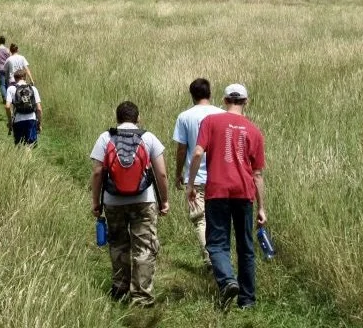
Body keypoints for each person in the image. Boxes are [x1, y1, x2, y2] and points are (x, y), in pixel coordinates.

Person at [187, 84, 266, 310]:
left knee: (217, 243)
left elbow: (198, 152)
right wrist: (262, 207)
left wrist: (190, 184)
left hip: (218, 191)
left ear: (224, 100)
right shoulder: (254, 131)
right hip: (244, 192)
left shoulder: (210, 122)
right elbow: (257, 174)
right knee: (246, 246)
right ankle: (247, 300)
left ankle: (228, 281)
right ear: (246, 102)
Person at [90, 101, 170, 308]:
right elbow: (161, 173)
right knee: (144, 248)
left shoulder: (105, 137)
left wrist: (95, 202)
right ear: (138, 118)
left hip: (112, 201)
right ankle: (142, 296)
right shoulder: (148, 137)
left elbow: (98, 172)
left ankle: (119, 288)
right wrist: (165, 200)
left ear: (117, 118)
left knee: (118, 244)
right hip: (143, 201)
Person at [173, 78, 223, 268]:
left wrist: (179, 173)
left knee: (200, 219)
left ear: (192, 95)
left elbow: (181, 149)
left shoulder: (185, 116)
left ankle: (209, 258)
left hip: (195, 177)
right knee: (218, 219)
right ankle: (221, 257)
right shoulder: (222, 114)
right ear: (210, 93)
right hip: (219, 175)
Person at [5, 69, 42, 146]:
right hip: (31, 119)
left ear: (15, 79)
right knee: (30, 145)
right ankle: (28, 157)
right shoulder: (33, 89)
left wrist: (10, 121)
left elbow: (7, 107)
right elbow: (39, 109)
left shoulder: (11, 89)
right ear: (25, 78)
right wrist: (39, 123)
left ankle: (21, 158)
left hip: (18, 120)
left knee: (19, 145)